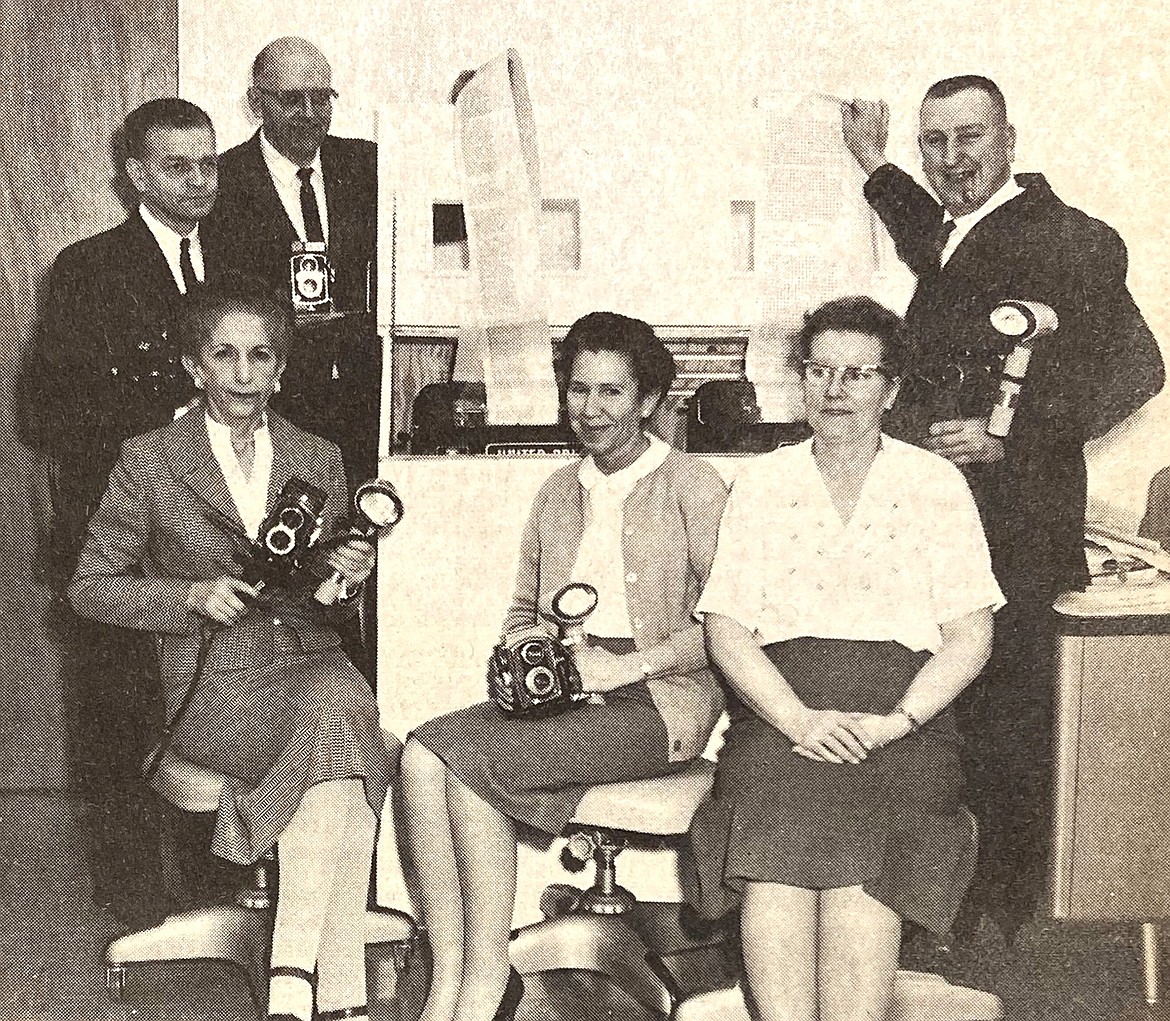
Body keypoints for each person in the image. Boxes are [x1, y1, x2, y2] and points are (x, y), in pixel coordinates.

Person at [841, 75, 1164, 938]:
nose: (954, 159)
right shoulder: (963, 233)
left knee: (1009, 721)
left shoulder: (1072, 237)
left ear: (1010, 140)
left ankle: (996, 928)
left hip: (1019, 528)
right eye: (935, 143)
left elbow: (1136, 369)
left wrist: (1010, 438)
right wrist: (874, 162)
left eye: (970, 137)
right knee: (945, 709)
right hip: (947, 526)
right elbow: (936, 244)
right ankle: (942, 908)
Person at [68, 286, 393, 1021]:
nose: (244, 374)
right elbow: (89, 588)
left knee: (339, 715)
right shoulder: (149, 461)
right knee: (348, 727)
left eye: (262, 356)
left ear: (281, 370)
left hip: (310, 657)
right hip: (214, 679)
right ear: (194, 365)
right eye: (225, 354)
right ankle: (326, 983)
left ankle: (304, 987)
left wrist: (348, 580)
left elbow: (327, 592)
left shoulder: (319, 456)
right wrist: (186, 595)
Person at [399, 312, 728, 1021]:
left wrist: (622, 667)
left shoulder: (693, 484)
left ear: (646, 400)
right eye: (579, 390)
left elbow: (727, 627)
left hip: (659, 706)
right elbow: (525, 608)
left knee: (470, 765)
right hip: (566, 697)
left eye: (612, 392)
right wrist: (526, 653)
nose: (591, 410)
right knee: (424, 754)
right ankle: (454, 970)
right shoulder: (556, 490)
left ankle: (486, 979)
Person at [687, 296, 1003, 1021]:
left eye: (858, 374)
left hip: (904, 716)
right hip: (781, 710)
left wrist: (897, 720)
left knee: (870, 852)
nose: (836, 390)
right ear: (801, 380)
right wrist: (796, 718)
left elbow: (970, 636)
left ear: (891, 390)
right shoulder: (763, 483)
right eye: (820, 370)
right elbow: (728, 630)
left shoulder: (935, 483)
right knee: (774, 851)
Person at [19, 97, 220, 925]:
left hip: (216, 529)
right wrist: (166, 413)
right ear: (135, 173)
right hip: (120, 537)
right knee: (117, 718)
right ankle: (134, 902)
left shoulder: (241, 256)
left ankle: (217, 887)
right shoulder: (88, 267)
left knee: (212, 704)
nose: (200, 180)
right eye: (179, 165)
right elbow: (42, 409)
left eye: (209, 163)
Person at [204, 35, 379, 487]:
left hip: (368, 403)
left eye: (321, 99)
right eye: (292, 100)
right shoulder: (220, 184)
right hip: (278, 412)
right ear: (258, 102)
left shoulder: (367, 165)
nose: (310, 114)